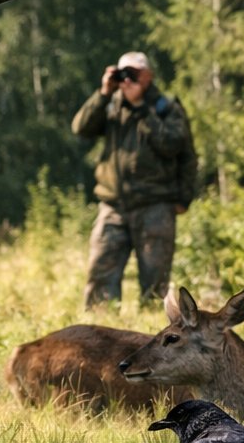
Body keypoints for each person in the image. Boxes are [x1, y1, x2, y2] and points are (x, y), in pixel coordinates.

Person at [71, 51, 197, 307]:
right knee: (100, 281)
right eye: (123, 73)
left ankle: (156, 339)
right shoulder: (111, 105)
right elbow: (80, 127)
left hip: (155, 206)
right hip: (113, 206)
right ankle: (101, 337)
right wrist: (104, 93)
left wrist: (142, 109)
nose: (127, 80)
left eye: (134, 74)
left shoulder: (165, 108)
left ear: (148, 76)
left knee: (155, 287)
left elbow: (177, 147)